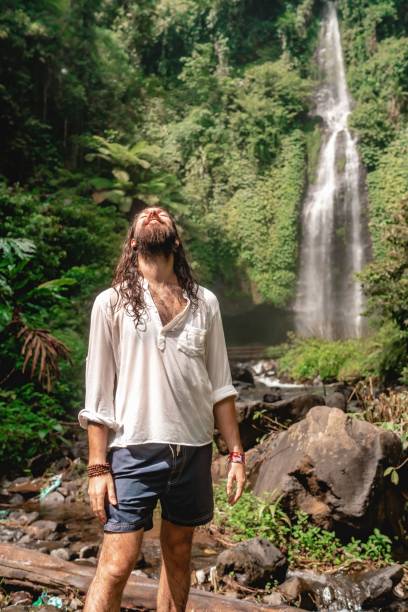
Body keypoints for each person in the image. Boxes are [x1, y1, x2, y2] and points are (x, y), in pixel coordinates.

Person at [78, 206, 246, 612]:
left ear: (175, 240)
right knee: (117, 564)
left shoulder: (205, 303)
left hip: (191, 450)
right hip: (132, 449)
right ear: (133, 242)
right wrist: (98, 467)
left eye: (163, 214)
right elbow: (98, 395)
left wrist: (236, 454)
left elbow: (221, 387)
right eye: (145, 214)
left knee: (178, 556)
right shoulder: (111, 303)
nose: (153, 212)